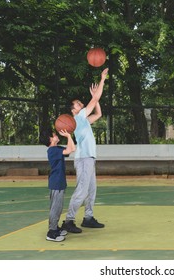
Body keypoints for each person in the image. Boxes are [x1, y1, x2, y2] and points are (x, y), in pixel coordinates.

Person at [62, 68, 109, 233]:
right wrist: (102, 80)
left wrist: (95, 99)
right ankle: (69, 220)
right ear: (73, 110)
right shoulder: (77, 118)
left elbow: (99, 113)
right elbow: (95, 98)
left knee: (91, 190)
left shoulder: (84, 120)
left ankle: (88, 218)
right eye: (78, 104)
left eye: (82, 104)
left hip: (89, 158)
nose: (81, 105)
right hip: (83, 159)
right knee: (82, 190)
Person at [40, 128, 76, 242]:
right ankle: (51, 232)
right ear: (51, 139)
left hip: (58, 182)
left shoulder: (56, 149)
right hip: (56, 182)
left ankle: (55, 227)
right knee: (55, 208)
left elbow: (72, 149)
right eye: (55, 135)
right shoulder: (53, 150)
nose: (57, 136)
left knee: (58, 207)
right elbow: (71, 148)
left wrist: (69, 136)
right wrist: (68, 136)